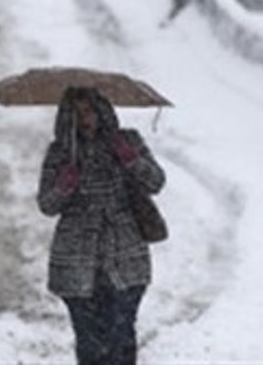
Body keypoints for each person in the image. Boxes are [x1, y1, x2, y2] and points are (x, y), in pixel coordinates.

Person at [38, 86, 166, 365]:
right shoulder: (60, 153)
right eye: (78, 113)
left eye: (91, 110)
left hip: (126, 257)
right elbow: (47, 205)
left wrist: (131, 159)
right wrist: (64, 185)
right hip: (76, 262)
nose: (86, 119)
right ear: (66, 118)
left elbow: (156, 182)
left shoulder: (127, 141)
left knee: (121, 337)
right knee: (90, 344)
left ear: (103, 110)